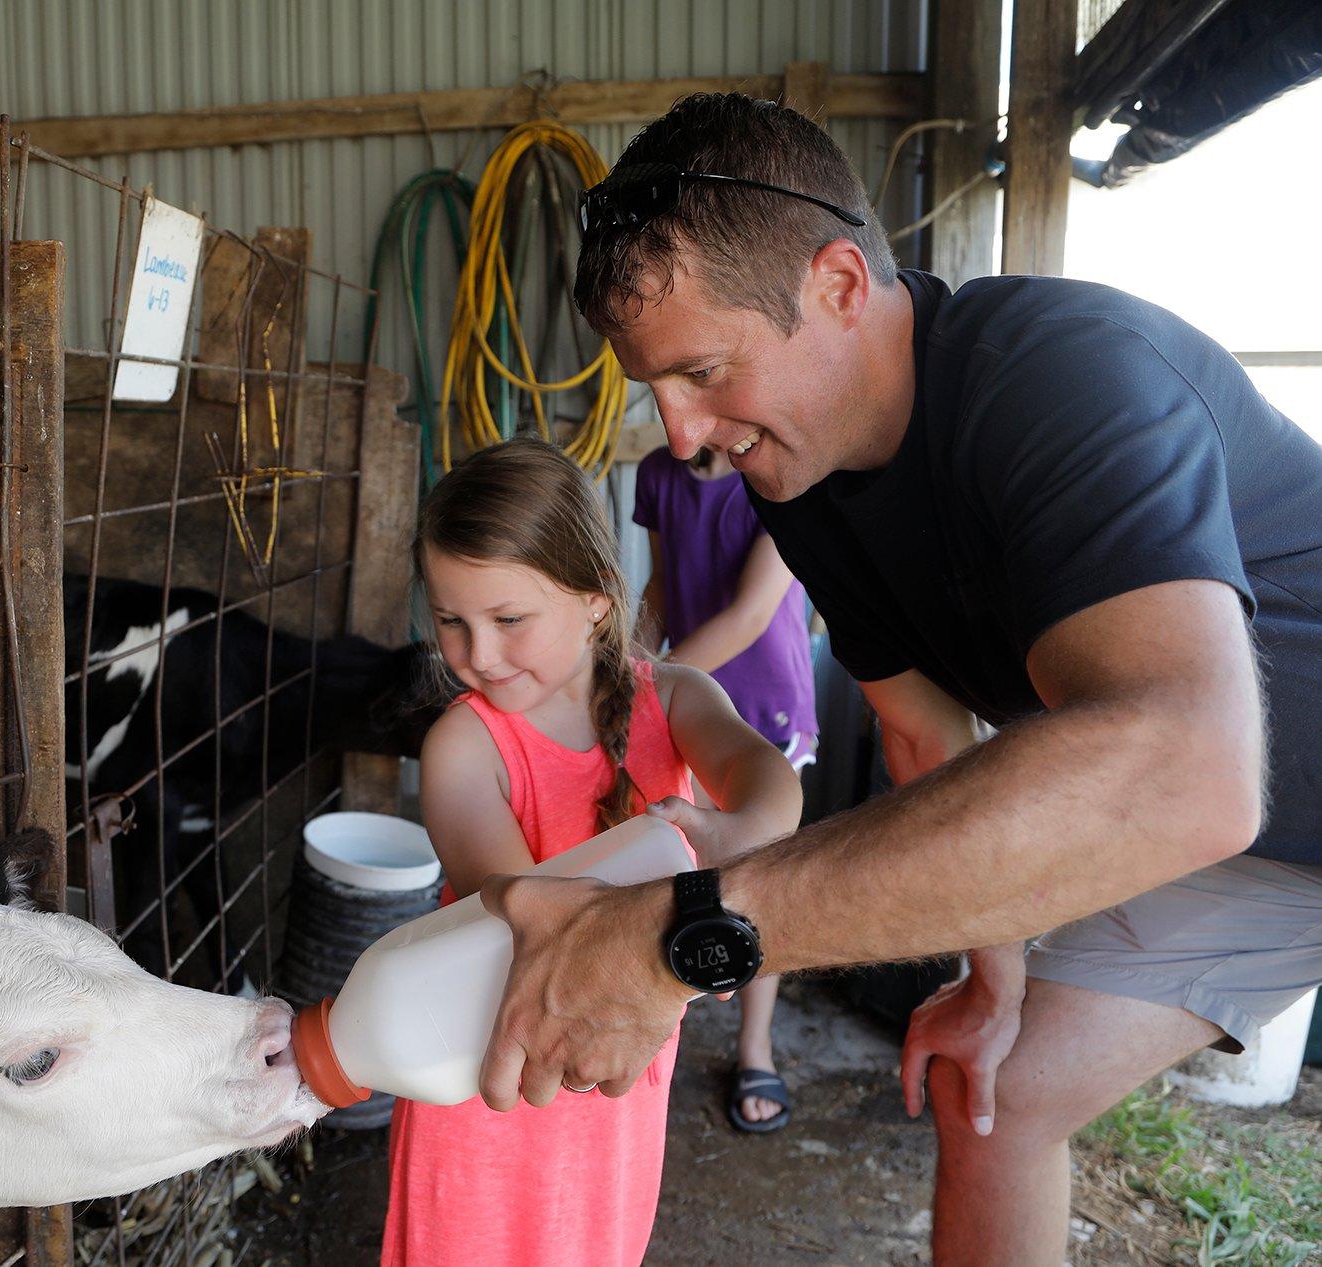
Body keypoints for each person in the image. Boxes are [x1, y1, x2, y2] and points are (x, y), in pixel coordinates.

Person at [468, 92, 1322, 1267]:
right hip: (1247, 837)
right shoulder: (800, 485)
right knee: (994, 1089)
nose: (678, 436)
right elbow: (925, 742)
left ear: (836, 284)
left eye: (704, 370)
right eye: (654, 388)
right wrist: (990, 977)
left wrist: (682, 935)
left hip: (1220, 787)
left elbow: (1184, 766)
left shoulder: (1064, 378)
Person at [382, 438, 802, 1267]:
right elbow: (543, 915)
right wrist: (696, 914)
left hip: (615, 1085)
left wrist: (750, 830)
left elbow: (765, 772)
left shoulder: (674, 695)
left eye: (508, 620)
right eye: (450, 621)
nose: (478, 654)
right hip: (489, 1081)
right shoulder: (464, 746)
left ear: (597, 600)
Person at [633, 440, 818, 1131]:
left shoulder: (775, 475)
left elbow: (749, 614)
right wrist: (632, 658)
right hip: (684, 707)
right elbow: (659, 585)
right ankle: (661, 1025)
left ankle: (754, 1043)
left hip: (761, 707)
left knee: (756, 878)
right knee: (684, 864)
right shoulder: (657, 474)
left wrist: (646, 683)